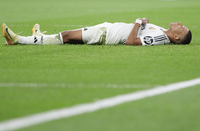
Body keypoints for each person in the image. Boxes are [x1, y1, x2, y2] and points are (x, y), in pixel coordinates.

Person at [2, 18, 192, 46]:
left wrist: (137, 22)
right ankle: (39, 37)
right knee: (67, 35)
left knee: (67, 36)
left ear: (176, 37)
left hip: (106, 35)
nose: (180, 24)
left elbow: (131, 42)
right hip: (107, 29)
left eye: (182, 29)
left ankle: (18, 39)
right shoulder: (162, 32)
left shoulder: (161, 37)